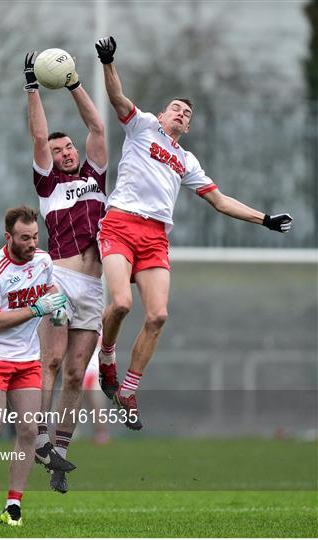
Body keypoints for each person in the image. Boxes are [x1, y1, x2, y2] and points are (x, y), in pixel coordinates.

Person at [94, 36, 293, 431]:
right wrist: (108, 62)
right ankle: (107, 357)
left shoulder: (186, 160)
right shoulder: (143, 127)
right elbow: (117, 98)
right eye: (177, 108)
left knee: (159, 315)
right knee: (119, 305)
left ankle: (129, 390)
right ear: (162, 113)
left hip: (154, 237)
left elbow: (219, 200)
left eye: (188, 113)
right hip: (120, 222)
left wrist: (265, 218)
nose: (182, 114)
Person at [23, 52, 108, 493]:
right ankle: (39, 440)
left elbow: (96, 126)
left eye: (67, 146)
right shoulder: (48, 185)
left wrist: (75, 84)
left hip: (94, 288)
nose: (65, 151)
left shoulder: (96, 175)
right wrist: (33, 89)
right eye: (58, 151)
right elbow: (38, 137)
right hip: (58, 280)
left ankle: (60, 455)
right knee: (51, 360)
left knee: (77, 372)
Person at [0, 206, 70, 527]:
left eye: (35, 236)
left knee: (27, 430)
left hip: (26, 359)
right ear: (8, 237)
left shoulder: (43, 260)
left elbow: (51, 291)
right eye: (24, 238)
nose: (32, 243)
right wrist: (37, 309)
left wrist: (58, 308)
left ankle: (13, 504)